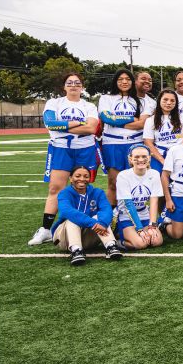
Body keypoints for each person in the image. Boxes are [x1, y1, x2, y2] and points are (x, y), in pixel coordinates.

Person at [29, 72, 101, 246]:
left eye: (77, 83)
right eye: (70, 82)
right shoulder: (54, 102)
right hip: (61, 148)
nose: (74, 85)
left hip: (84, 148)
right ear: (64, 86)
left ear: (82, 87)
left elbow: (92, 128)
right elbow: (50, 124)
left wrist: (64, 127)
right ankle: (46, 229)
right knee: (55, 188)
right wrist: (80, 123)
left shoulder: (89, 105)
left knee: (82, 187)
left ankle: (78, 225)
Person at [97, 69, 151, 213]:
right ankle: (112, 218)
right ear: (115, 81)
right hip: (113, 144)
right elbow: (106, 118)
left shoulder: (144, 101)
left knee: (136, 182)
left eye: (128, 79)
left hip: (136, 144)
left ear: (133, 82)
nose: (124, 82)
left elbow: (142, 124)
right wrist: (131, 119)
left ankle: (134, 216)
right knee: (114, 184)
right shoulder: (106, 98)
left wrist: (116, 121)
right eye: (120, 79)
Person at [52, 165, 123, 265]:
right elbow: (67, 211)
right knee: (72, 219)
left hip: (88, 238)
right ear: (71, 178)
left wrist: (101, 223)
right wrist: (94, 223)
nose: (82, 179)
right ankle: (76, 250)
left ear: (90, 179)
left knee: (99, 217)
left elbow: (106, 209)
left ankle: (111, 246)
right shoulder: (64, 193)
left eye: (86, 176)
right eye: (78, 176)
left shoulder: (98, 192)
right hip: (65, 238)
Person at [114, 145, 165, 251]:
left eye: (144, 156)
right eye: (136, 157)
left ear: (149, 158)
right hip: (127, 216)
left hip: (144, 214)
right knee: (141, 244)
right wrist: (139, 229)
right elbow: (128, 205)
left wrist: (152, 226)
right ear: (130, 159)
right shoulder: (123, 176)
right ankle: (119, 240)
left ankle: (134, 235)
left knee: (156, 241)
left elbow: (154, 201)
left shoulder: (154, 174)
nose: (141, 160)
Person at [142, 89, 183, 173]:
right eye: (165, 100)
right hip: (158, 156)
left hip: (179, 156)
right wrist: (162, 161)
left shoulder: (182, 118)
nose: (169, 103)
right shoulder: (151, 120)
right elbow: (148, 142)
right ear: (159, 101)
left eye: (172, 100)